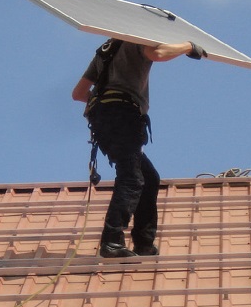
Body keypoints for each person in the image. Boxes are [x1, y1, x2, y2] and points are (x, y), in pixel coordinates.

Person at [72, 39, 207, 258]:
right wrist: (188, 46)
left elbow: (78, 94)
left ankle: (144, 242)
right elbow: (159, 54)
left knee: (148, 177)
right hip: (123, 115)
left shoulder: (106, 49)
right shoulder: (137, 39)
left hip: (102, 120)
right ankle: (112, 241)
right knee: (132, 178)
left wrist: (103, 99)